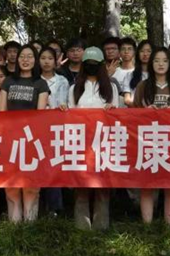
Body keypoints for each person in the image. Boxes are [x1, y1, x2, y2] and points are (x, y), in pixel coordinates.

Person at [132, 48, 170, 225]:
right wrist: (145, 112)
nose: (160, 64)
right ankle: (147, 226)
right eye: (156, 60)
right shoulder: (143, 86)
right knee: (147, 184)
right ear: (151, 64)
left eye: (164, 60)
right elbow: (132, 116)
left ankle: (168, 226)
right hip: (148, 141)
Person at [68, 47, 118, 230]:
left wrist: (112, 110)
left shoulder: (111, 87)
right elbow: (71, 115)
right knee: (81, 183)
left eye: (95, 64)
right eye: (88, 64)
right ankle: (82, 225)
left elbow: (117, 115)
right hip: (81, 142)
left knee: (102, 184)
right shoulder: (74, 88)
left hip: (103, 141)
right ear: (83, 65)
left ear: (101, 65)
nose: (91, 67)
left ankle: (101, 225)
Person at [0, 45, 50, 222]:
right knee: (11, 183)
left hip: (31, 139)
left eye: (29, 56)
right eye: (22, 56)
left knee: (31, 183)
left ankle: (30, 223)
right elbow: (2, 112)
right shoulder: (8, 81)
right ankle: (14, 224)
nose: (25, 60)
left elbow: (40, 115)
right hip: (11, 139)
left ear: (35, 60)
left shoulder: (41, 83)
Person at [39, 46, 69, 217]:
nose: (46, 62)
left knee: (53, 165)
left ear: (55, 60)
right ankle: (38, 206)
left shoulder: (62, 81)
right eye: (43, 58)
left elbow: (65, 102)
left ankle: (54, 208)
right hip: (37, 128)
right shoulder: (34, 80)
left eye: (50, 58)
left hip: (56, 128)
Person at [125, 40, 152, 106]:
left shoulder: (158, 75)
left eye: (148, 51)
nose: (145, 54)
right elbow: (127, 100)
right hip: (135, 110)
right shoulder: (130, 75)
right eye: (142, 51)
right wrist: (141, 108)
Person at [112, 37, 136, 105]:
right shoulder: (113, 72)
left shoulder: (138, 72)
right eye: (123, 49)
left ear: (134, 52)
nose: (126, 52)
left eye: (129, 49)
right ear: (119, 52)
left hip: (134, 109)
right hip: (115, 108)